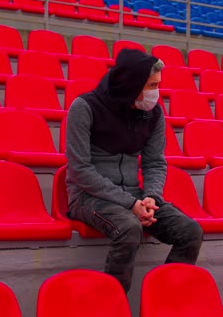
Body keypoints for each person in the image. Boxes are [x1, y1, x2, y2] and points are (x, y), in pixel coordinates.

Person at [64, 48, 203, 292]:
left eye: (158, 85)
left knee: (190, 231)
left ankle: (165, 303)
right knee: (130, 227)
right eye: (151, 85)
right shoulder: (84, 107)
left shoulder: (154, 114)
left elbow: (155, 162)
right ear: (131, 84)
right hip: (88, 196)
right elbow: (79, 170)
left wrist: (151, 197)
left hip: (133, 195)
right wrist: (131, 204)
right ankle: (114, 305)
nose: (156, 93)